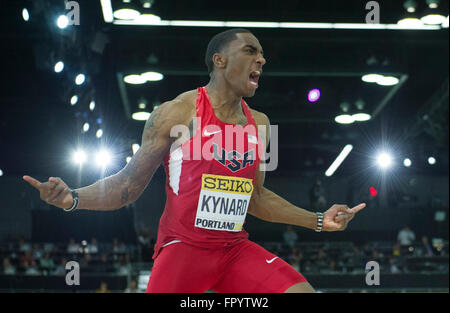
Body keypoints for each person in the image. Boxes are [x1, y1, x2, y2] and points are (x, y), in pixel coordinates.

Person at [23, 28, 366, 293]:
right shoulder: (176, 113)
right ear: (219, 60)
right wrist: (74, 198)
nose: (262, 60)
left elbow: (256, 197)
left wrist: (319, 220)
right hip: (182, 250)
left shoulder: (259, 124)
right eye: (251, 51)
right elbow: (127, 186)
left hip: (233, 251)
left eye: (263, 54)